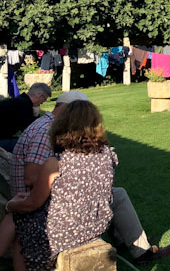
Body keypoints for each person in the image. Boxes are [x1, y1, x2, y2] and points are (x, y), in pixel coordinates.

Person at [6, 91, 170, 265]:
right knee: (107, 196)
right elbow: (31, 178)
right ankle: (138, 249)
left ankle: (133, 246)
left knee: (116, 194)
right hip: (44, 202)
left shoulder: (56, 144)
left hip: (57, 205)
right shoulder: (45, 133)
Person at [4, 99, 117, 271]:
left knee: (17, 220)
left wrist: (12, 204)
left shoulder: (57, 163)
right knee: (23, 219)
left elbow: (32, 204)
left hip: (64, 235)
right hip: (95, 226)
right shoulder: (108, 155)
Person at [0, 83, 52, 152]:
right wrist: (36, 114)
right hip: (2, 141)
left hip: (4, 138)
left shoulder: (18, 101)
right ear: (40, 96)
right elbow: (32, 131)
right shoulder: (25, 106)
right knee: (35, 145)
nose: (42, 103)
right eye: (44, 100)